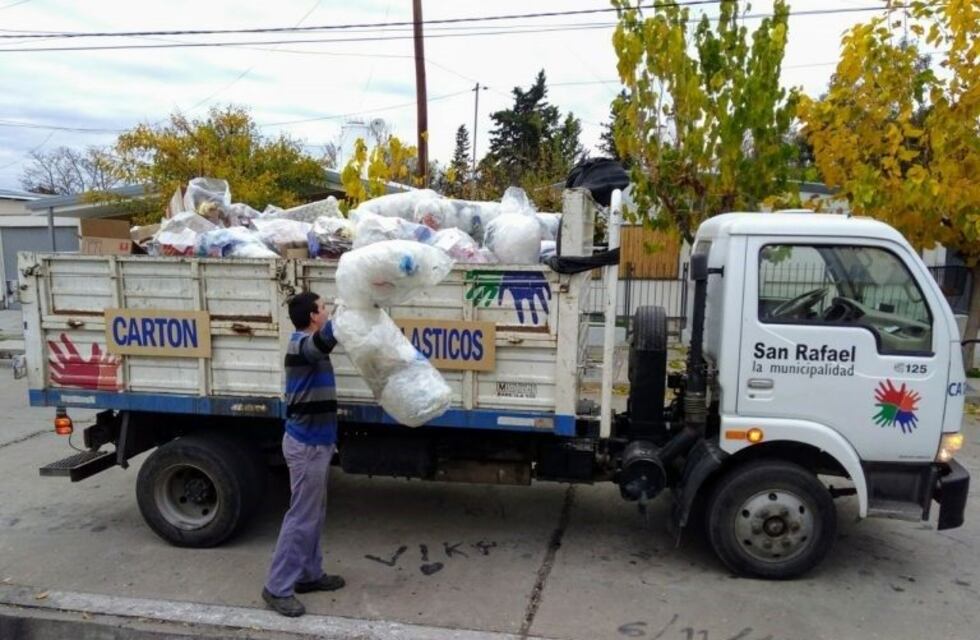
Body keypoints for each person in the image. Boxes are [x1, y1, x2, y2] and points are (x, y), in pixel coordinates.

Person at [262, 291, 345, 617]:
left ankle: (309, 574)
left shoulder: (309, 345)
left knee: (314, 515)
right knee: (301, 517)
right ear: (312, 316)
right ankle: (277, 587)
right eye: (323, 308)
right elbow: (323, 342)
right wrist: (351, 306)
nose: (326, 312)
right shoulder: (300, 345)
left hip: (318, 442)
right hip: (307, 445)